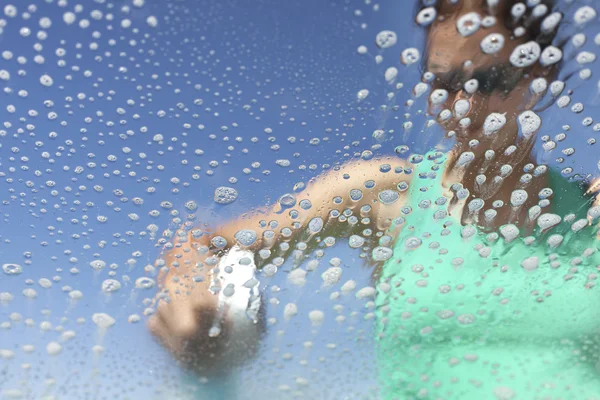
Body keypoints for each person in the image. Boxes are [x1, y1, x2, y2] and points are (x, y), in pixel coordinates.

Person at [148, 0, 600, 398]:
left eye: (490, 79)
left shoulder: (590, 216)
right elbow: (208, 242)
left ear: (542, 76)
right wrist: (191, 291)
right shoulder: (386, 193)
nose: (462, 105)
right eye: (442, 84)